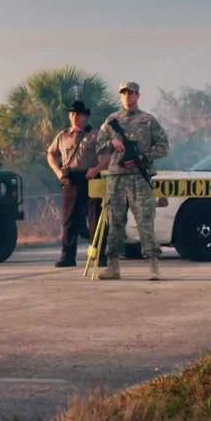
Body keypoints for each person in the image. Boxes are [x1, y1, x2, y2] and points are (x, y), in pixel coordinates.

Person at [96, 81, 169, 280]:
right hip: (117, 177)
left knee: (145, 220)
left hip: (140, 177)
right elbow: (98, 147)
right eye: (124, 94)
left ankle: (153, 265)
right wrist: (112, 142)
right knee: (116, 221)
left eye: (132, 94)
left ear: (138, 96)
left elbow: (164, 146)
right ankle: (113, 266)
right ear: (121, 96)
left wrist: (144, 157)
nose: (128, 97)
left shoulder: (148, 120)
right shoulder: (111, 120)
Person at [46, 101, 107, 267]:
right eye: (72, 113)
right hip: (71, 179)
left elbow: (108, 155)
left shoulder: (96, 134)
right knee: (69, 219)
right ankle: (67, 256)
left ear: (85, 116)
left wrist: (97, 168)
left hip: (91, 178)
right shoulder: (63, 135)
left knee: (95, 218)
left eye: (78, 114)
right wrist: (58, 172)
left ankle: (99, 255)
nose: (74, 116)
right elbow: (51, 154)